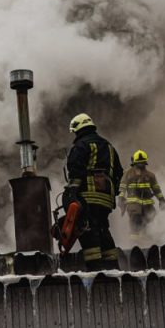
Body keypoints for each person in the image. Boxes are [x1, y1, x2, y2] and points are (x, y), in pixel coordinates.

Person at [65, 113, 123, 270]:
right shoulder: (109, 147)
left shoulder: (81, 146)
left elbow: (75, 170)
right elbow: (118, 172)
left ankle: (96, 269)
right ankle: (113, 267)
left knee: (88, 231)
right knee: (103, 230)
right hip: (106, 200)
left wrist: (71, 194)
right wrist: (112, 191)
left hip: (87, 197)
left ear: (78, 129)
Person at [119, 149, 165, 243]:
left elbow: (156, 189)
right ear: (134, 163)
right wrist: (121, 198)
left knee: (150, 225)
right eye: (139, 164)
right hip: (134, 205)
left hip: (148, 206)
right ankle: (135, 245)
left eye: (142, 164)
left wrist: (161, 199)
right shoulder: (127, 174)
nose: (140, 167)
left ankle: (149, 243)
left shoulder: (150, 175)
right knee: (135, 225)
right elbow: (122, 186)